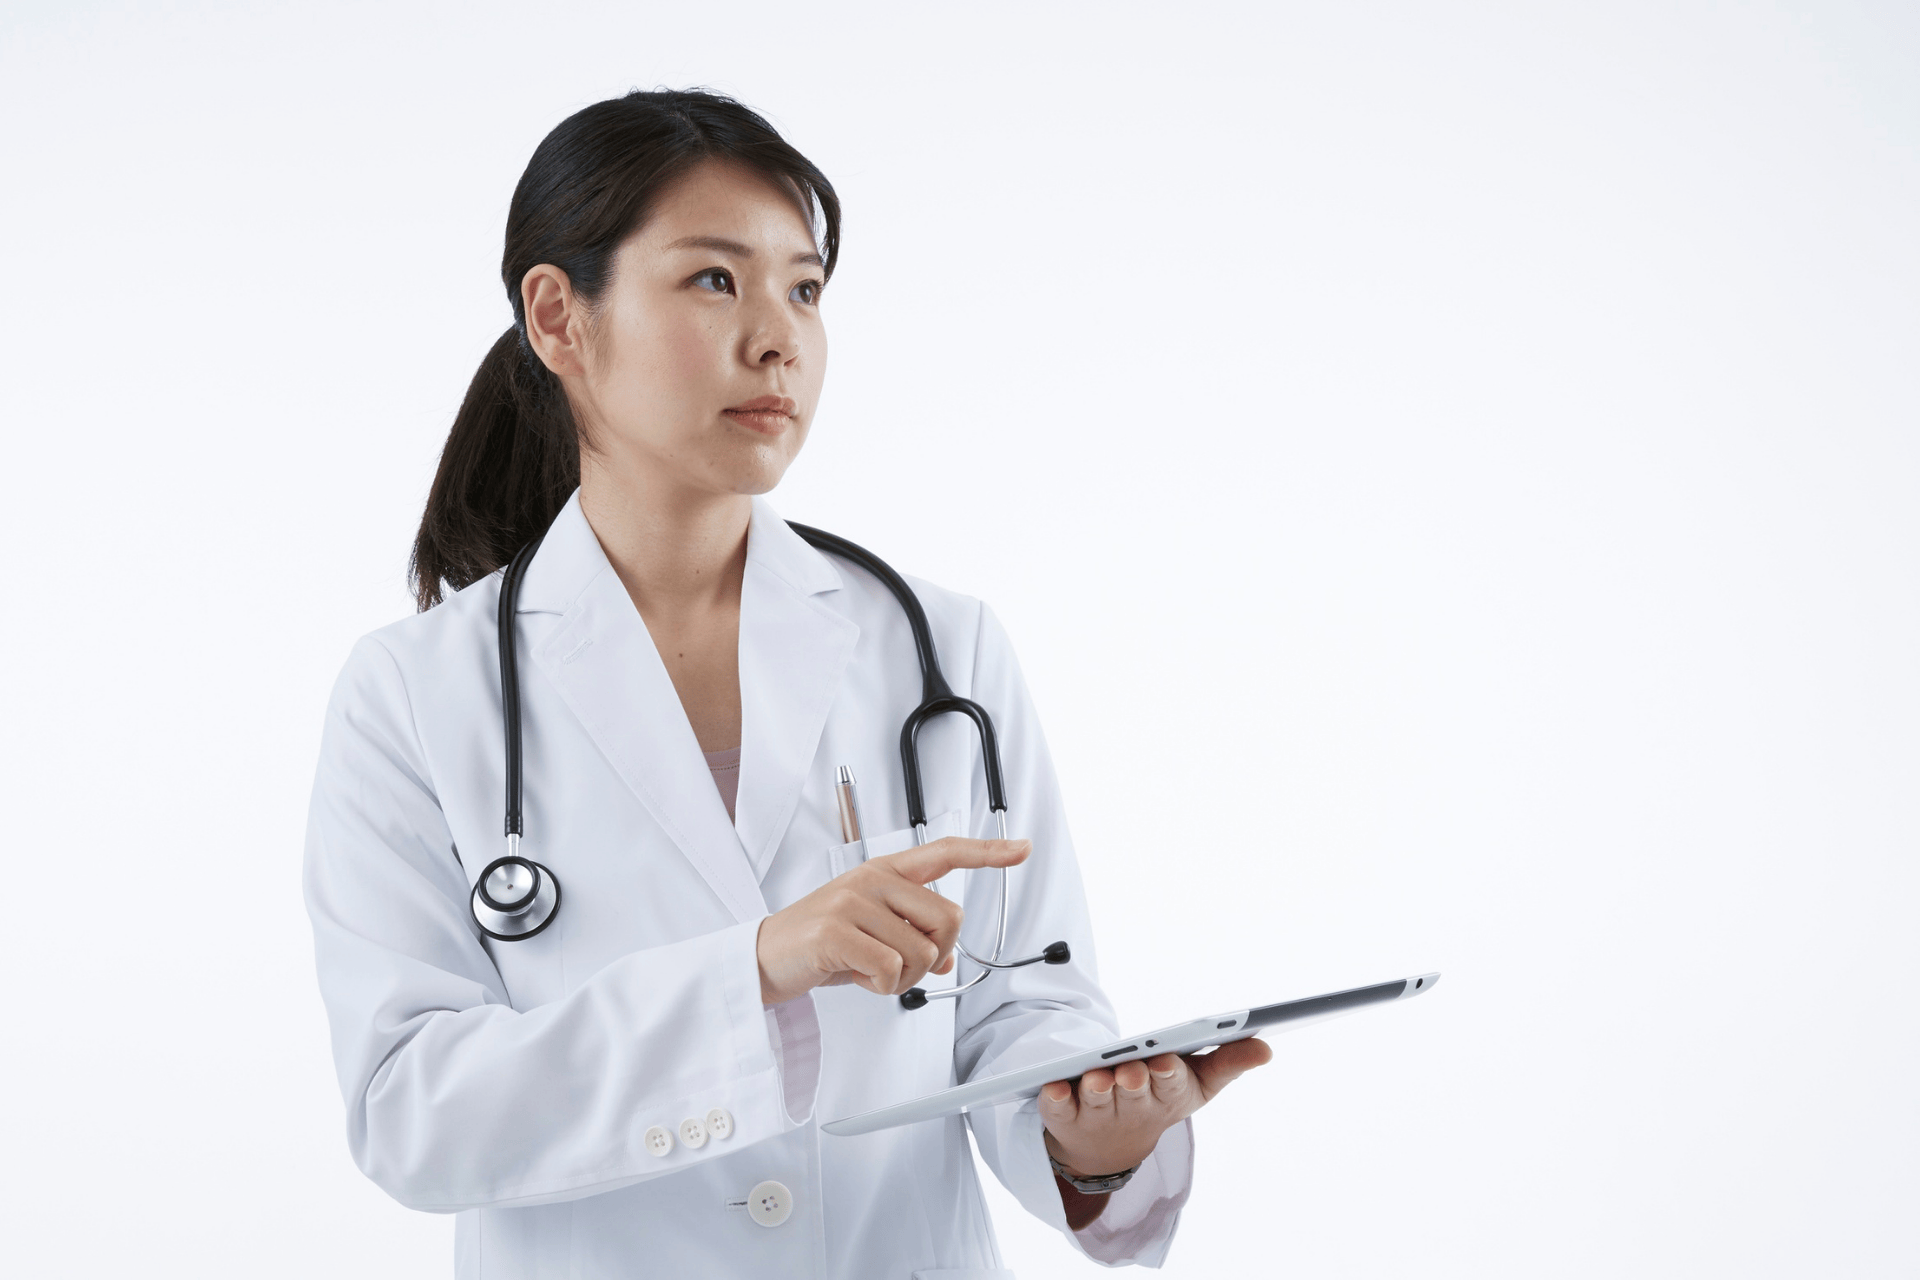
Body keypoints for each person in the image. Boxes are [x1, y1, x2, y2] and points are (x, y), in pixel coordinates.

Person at [303, 89, 1270, 1279]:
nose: (780, 338)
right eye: (716, 280)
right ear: (559, 316)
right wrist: (758, 965)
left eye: (805, 289)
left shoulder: (942, 650)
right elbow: (413, 1112)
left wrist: (1089, 1135)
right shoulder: (413, 691)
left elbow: (1024, 1001)